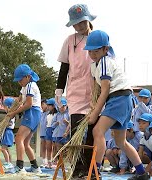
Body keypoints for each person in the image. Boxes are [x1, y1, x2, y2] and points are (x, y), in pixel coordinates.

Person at [84, 30, 149, 180]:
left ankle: (95, 172)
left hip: (119, 98)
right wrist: (93, 106)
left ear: (105, 49)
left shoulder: (106, 61)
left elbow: (105, 89)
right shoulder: (95, 66)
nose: (92, 54)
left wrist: (95, 114)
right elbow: (97, 89)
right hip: (122, 100)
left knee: (97, 131)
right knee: (121, 141)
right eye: (90, 51)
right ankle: (142, 173)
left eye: (96, 50)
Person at [54, 4, 97, 177]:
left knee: (93, 132)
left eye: (82, 22)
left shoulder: (97, 37)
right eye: (76, 24)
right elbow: (64, 67)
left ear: (88, 19)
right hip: (76, 91)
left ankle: (91, 168)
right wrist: (59, 90)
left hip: (95, 92)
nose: (79, 26)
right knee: (76, 130)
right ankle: (78, 168)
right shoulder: (70, 41)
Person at [6, 64, 42, 173]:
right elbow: (19, 99)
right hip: (33, 114)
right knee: (26, 143)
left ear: (27, 76)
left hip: (32, 112)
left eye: (20, 80)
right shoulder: (25, 86)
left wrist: (14, 113)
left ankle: (20, 167)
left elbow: (28, 104)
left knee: (18, 139)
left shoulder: (31, 85)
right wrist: (12, 108)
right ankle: (35, 167)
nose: (19, 82)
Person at [0, 97, 15, 169]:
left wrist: (2, 125)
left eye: (5, 107)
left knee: (3, 148)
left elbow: (9, 124)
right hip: (7, 132)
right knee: (6, 149)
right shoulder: (10, 115)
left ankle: (7, 162)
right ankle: (10, 162)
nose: (4, 108)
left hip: (7, 132)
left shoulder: (11, 115)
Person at [44, 98, 57, 169]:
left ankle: (55, 162)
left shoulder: (57, 114)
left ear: (53, 106)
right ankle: (49, 162)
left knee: (55, 147)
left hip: (55, 130)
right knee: (48, 147)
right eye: (47, 105)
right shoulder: (48, 114)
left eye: (49, 105)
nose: (48, 107)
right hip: (48, 129)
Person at [39, 99, 48, 167]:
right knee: (43, 146)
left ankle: (48, 161)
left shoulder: (49, 113)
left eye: (43, 104)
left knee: (49, 147)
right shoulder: (41, 113)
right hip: (42, 132)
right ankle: (44, 161)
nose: (41, 106)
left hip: (48, 132)